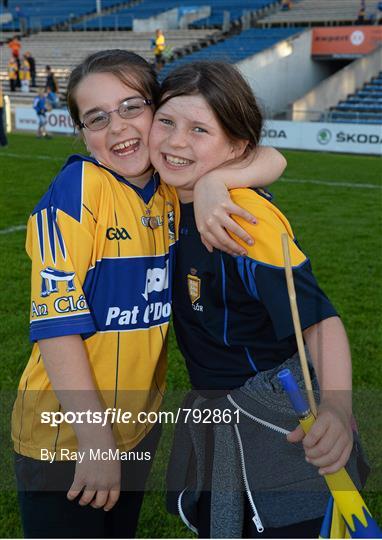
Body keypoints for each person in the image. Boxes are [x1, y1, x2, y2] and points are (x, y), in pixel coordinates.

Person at [12, 50, 286, 539]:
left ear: (159, 112)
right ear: (82, 133)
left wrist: (217, 181)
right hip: (68, 435)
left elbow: (268, 157)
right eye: (97, 118)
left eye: (131, 107)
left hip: (136, 426)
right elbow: (55, 327)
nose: (117, 127)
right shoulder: (76, 190)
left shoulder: (169, 183)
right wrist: (96, 443)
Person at [149, 61, 359, 538]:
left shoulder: (246, 222)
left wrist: (338, 409)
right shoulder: (162, 190)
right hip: (218, 411)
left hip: (277, 425)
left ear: (235, 147)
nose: (176, 141)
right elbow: (270, 155)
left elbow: (320, 320)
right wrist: (207, 181)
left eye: (199, 129)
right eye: (167, 121)